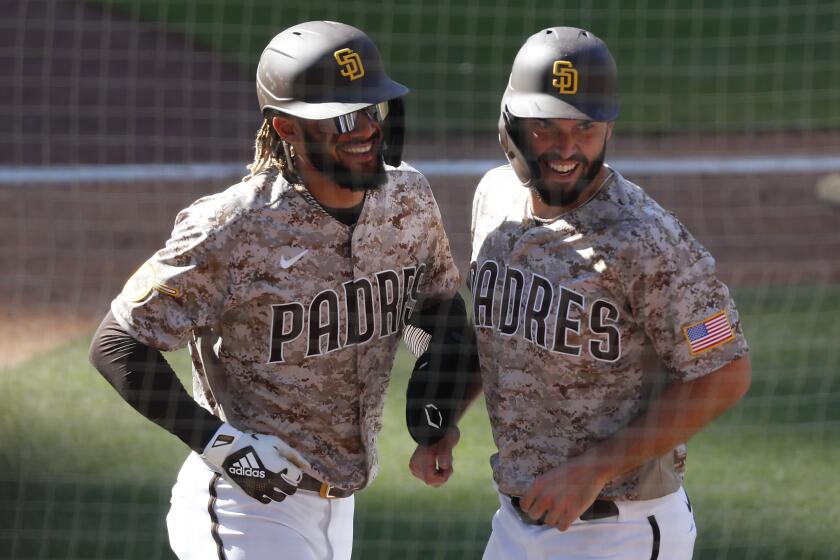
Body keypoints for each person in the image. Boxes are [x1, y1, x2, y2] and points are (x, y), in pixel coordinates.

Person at [89, 20, 477, 560]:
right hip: (244, 509)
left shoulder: (407, 199)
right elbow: (116, 343)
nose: (365, 128)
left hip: (339, 507)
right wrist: (221, 445)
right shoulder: (233, 225)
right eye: (342, 117)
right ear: (287, 129)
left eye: (372, 109)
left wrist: (439, 399)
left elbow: (431, 306)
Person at [468, 27, 752, 559]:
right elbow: (498, 329)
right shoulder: (494, 200)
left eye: (586, 128)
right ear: (510, 123)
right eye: (546, 128)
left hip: (619, 531)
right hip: (512, 525)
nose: (566, 148)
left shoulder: (646, 238)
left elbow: (726, 372)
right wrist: (442, 419)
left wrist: (596, 468)